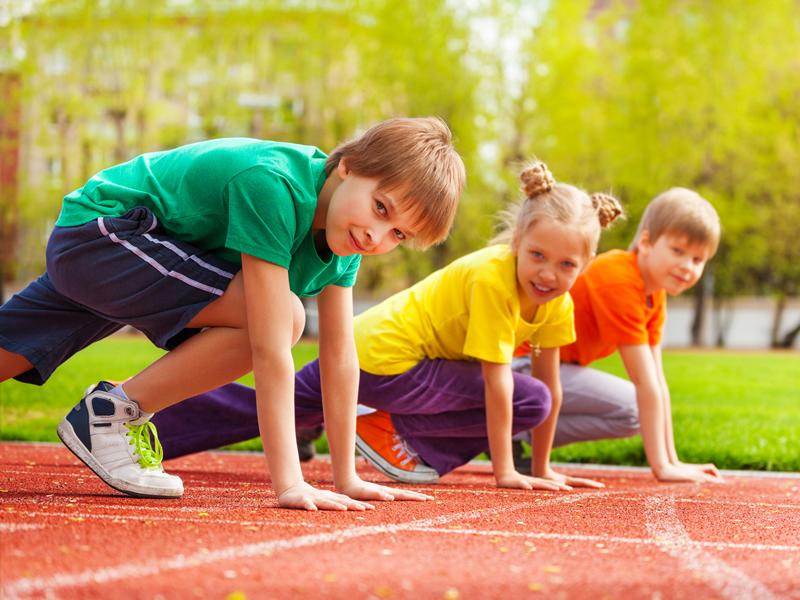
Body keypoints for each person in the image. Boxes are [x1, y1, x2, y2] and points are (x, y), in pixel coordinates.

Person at [0, 117, 465, 510]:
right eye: (380, 208)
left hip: (124, 254)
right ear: (348, 167)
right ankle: (110, 413)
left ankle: (109, 413)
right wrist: (290, 483)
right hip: (105, 235)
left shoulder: (346, 240)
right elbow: (267, 344)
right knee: (284, 319)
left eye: (398, 234)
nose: (376, 236)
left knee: (11, 350)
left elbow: (340, 357)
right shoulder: (274, 186)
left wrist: (346, 477)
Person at [150, 161, 623, 491]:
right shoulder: (493, 279)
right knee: (527, 399)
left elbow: (554, 384)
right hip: (387, 360)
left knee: (276, 405)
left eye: (565, 265)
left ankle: (147, 433)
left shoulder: (555, 300)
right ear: (518, 240)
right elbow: (500, 386)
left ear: (586, 264)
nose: (547, 273)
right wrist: (506, 472)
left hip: (372, 353)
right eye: (537, 255)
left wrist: (543, 468)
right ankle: (392, 435)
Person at [511, 187, 724, 483]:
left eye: (698, 260)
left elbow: (659, 382)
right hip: (523, 366)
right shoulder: (619, 279)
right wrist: (661, 467)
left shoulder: (654, 294)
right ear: (647, 242)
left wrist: (675, 460)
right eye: (678, 251)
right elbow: (644, 383)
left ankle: (518, 430)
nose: (687, 267)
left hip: (557, 369)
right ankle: (503, 422)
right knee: (634, 404)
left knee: (632, 414)